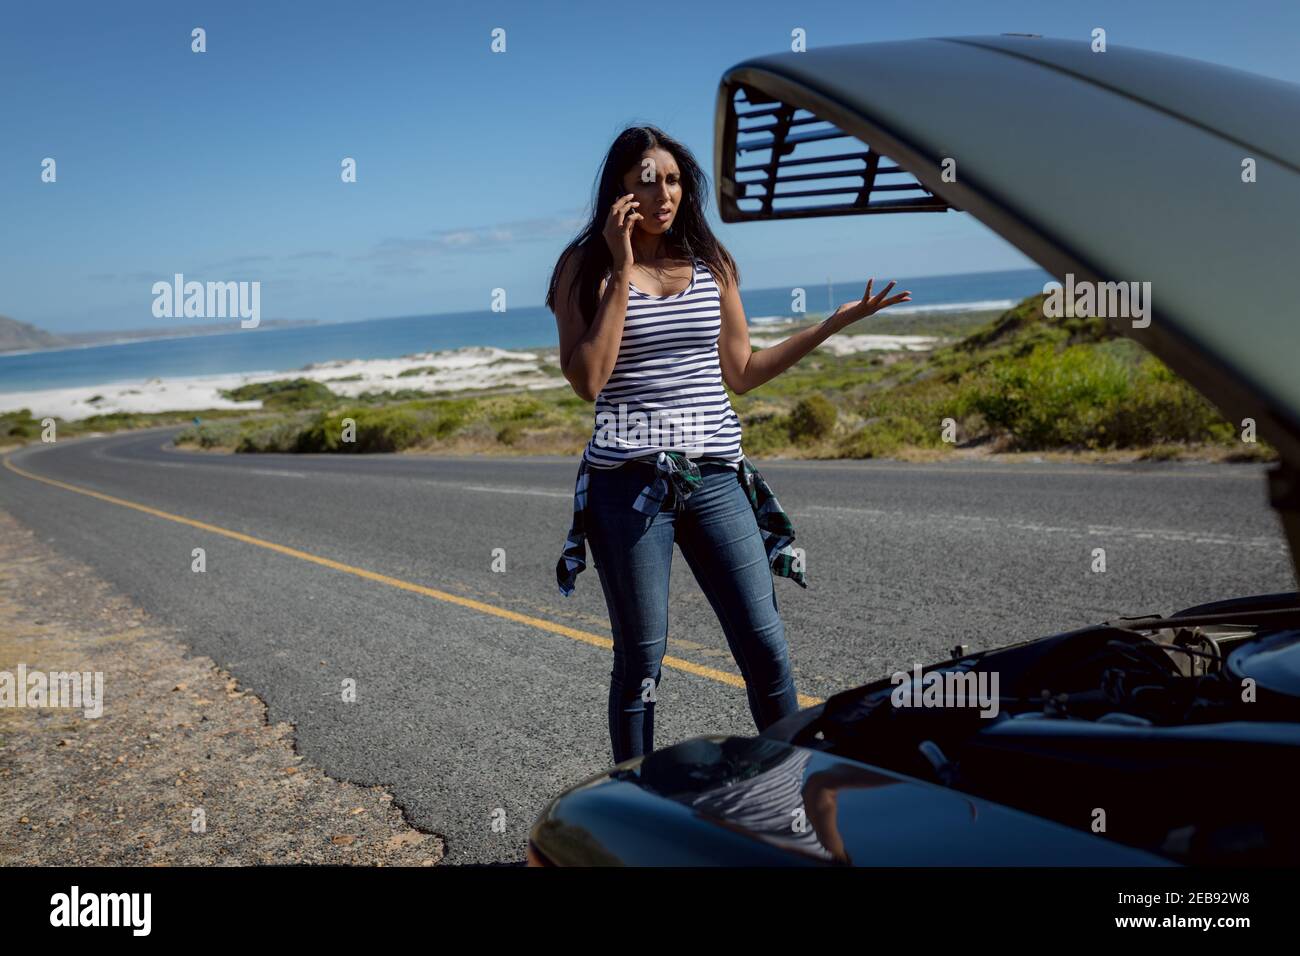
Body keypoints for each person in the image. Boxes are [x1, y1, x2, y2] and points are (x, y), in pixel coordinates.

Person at [546, 125, 911, 764]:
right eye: (647, 181)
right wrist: (622, 266)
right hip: (628, 485)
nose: (664, 194)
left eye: (675, 180)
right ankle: (635, 807)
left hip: (715, 474)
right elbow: (589, 381)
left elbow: (741, 371)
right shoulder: (585, 267)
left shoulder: (712, 264)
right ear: (620, 192)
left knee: (765, 645)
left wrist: (830, 326)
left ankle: (791, 789)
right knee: (643, 662)